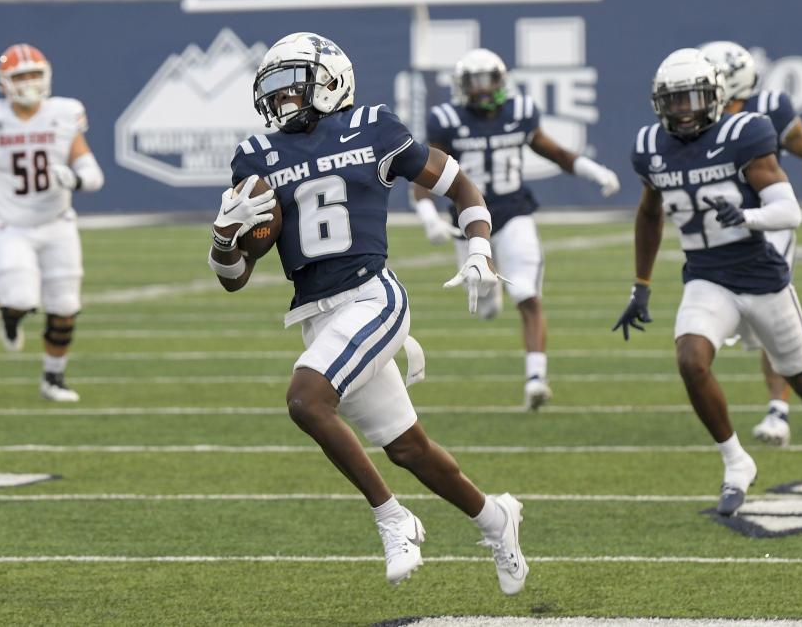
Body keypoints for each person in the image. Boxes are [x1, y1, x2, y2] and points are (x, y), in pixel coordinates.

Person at [207, 32, 528, 594]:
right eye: (273, 91)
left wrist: (478, 246)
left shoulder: (374, 127)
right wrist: (223, 240)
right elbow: (234, 279)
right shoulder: (255, 157)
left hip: (372, 295)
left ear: (331, 81)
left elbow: (461, 186)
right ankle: (497, 519)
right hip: (315, 311)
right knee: (408, 448)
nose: (282, 101)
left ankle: (393, 518)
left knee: (306, 398)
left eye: (293, 87)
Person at [612, 48, 802, 519]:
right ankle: (736, 460)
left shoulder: (744, 132)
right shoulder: (651, 146)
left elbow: (787, 210)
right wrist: (641, 285)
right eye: (673, 101)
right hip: (706, 276)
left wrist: (746, 216)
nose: (682, 110)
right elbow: (650, 213)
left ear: (713, 97)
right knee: (691, 360)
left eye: (691, 99)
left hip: (760, 275)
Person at [413, 48, 620, 410]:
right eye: (472, 82)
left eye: (486, 80)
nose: (480, 89)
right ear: (461, 87)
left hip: (513, 212)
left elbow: (554, 152)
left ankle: (536, 378)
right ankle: (490, 289)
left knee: (526, 293)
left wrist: (594, 170)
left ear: (500, 81)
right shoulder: (446, 120)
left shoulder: (520, 113)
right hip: (468, 218)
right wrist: (429, 215)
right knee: (484, 296)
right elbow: (427, 172)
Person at [0, 44, 104, 402]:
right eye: (20, 76)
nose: (28, 82)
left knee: (65, 306)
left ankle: (53, 378)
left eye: (33, 74)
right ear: (4, 83)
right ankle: (10, 316)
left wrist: (74, 179)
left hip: (57, 221)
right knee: (20, 297)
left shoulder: (64, 113)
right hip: (7, 221)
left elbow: (91, 171)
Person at [700, 40, 802, 447]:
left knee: (772, 315)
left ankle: (779, 410)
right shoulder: (693, 117)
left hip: (770, 220)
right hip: (721, 223)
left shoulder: (770, 108)